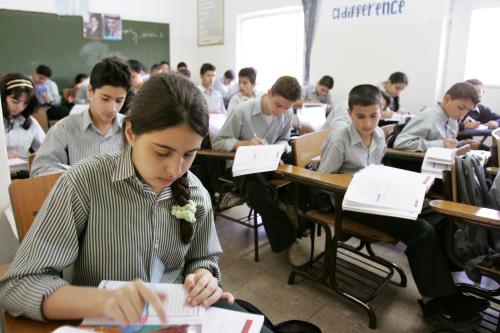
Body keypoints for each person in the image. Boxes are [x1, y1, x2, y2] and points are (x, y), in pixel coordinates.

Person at [0, 73, 240, 327]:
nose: (175, 169)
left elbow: (203, 257)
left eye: (189, 154)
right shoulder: (84, 183)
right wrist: (103, 300)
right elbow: (19, 285)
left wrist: (203, 276)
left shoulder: (196, 191)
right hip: (104, 324)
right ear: (130, 132)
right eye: (162, 152)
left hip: (176, 320)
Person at [318, 84, 489, 330]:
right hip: (350, 202)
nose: (368, 124)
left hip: (376, 195)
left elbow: (375, 168)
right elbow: (324, 180)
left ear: (381, 112)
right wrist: (360, 184)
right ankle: (436, 300)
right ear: (349, 113)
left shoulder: (378, 136)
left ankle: (445, 284)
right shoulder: (338, 140)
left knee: (439, 212)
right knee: (421, 231)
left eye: (374, 116)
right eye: (360, 116)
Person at [212, 76, 309, 266]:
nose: (280, 112)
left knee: (299, 177)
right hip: (241, 165)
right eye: (278, 105)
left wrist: (279, 149)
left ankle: (287, 212)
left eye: (286, 108)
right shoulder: (243, 111)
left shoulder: (286, 114)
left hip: (268, 162)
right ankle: (290, 241)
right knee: (259, 190)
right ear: (269, 93)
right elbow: (219, 142)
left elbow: (284, 139)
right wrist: (245, 144)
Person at [31, 57, 130, 176]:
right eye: (105, 99)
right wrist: (78, 176)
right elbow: (40, 171)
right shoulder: (64, 128)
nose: (112, 108)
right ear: (90, 90)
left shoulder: (132, 129)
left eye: (119, 100)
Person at [394, 82, 480, 151]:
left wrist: (461, 144)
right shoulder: (428, 117)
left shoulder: (453, 120)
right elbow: (401, 143)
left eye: (468, 110)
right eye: (461, 107)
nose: (463, 114)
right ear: (446, 99)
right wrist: (440, 144)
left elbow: (446, 143)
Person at [1, 74, 45, 159]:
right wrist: (3, 155)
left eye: (25, 103)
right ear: (2, 98)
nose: (20, 108)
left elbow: (45, 148)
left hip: (22, 170)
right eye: (15, 101)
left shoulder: (30, 121)